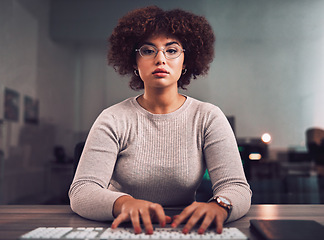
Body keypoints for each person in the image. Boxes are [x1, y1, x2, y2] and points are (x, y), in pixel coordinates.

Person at [69, 6, 252, 235]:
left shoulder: (208, 117)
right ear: (134, 62)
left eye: (172, 50)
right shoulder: (113, 118)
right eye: (148, 51)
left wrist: (221, 206)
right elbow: (82, 191)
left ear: (185, 61)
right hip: (121, 227)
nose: (160, 59)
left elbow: (236, 187)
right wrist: (124, 203)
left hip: (184, 228)